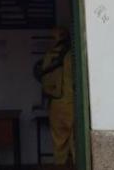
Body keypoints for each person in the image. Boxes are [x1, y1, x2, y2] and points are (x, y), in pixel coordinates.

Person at [40, 26, 75, 167]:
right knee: (75, 141)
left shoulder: (49, 55)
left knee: (58, 143)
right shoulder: (72, 55)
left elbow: (44, 82)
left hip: (55, 104)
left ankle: (60, 166)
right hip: (71, 104)